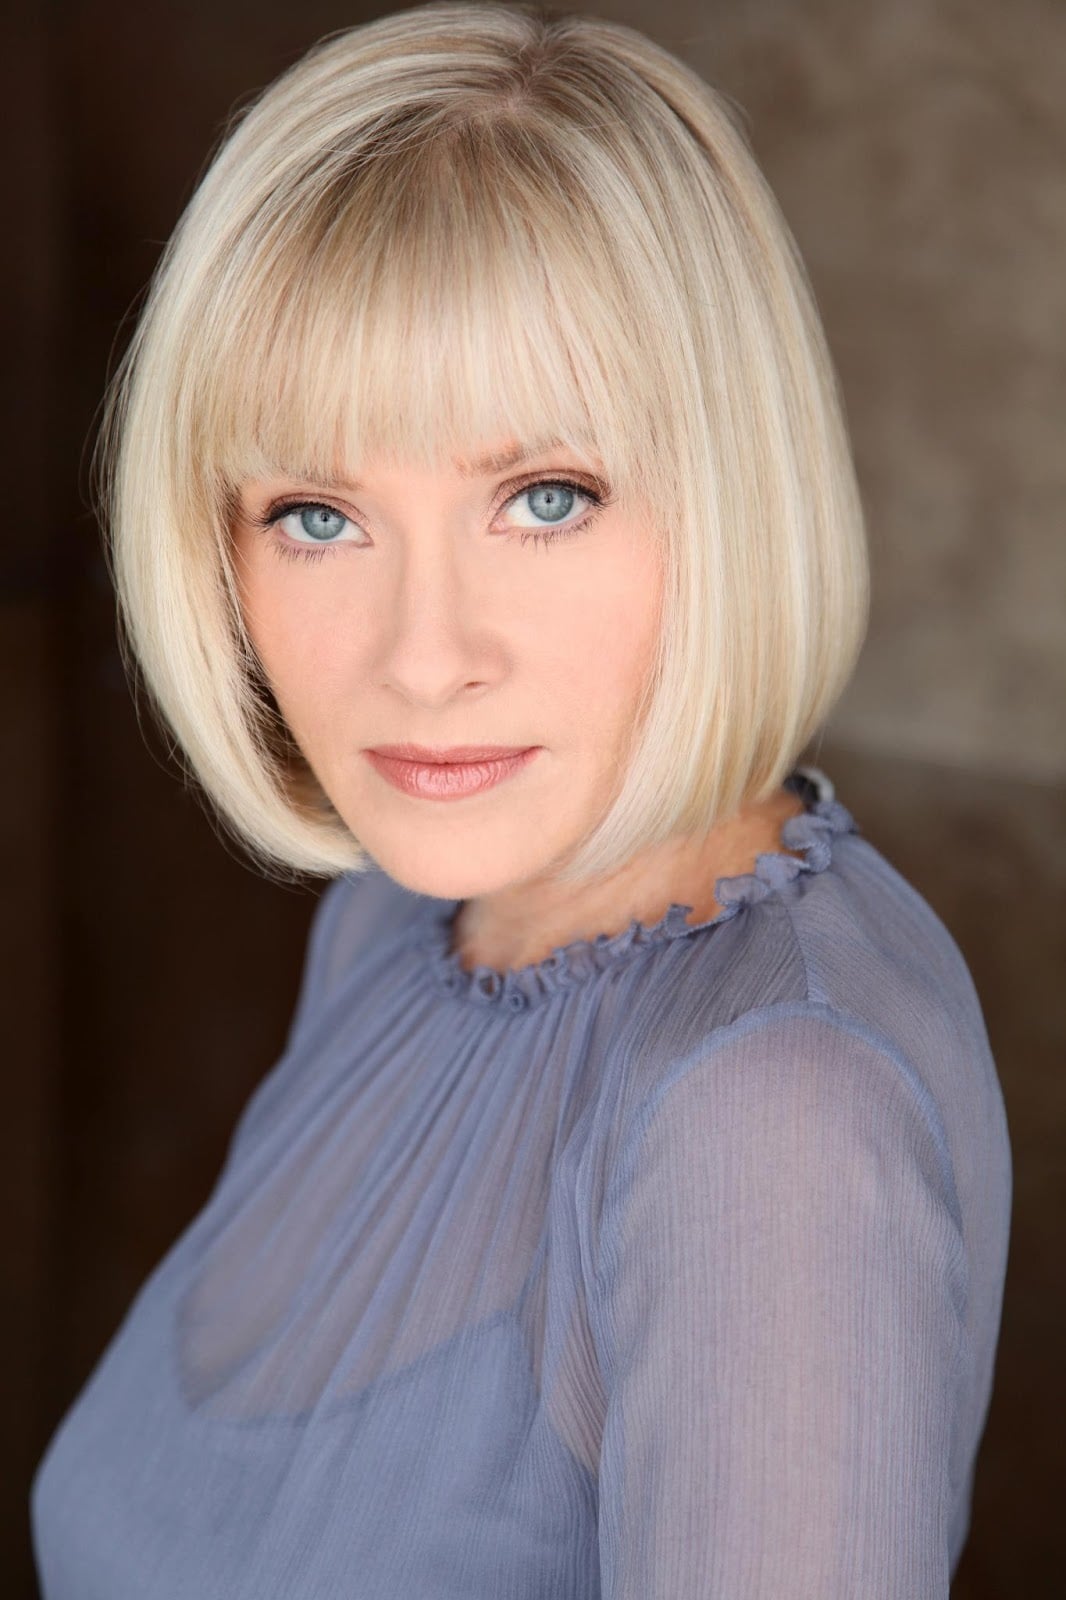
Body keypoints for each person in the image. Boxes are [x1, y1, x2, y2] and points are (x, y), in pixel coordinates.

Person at [30, 3, 1012, 1595]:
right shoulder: (393, 927)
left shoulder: (771, 1118)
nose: (424, 659)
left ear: (729, 488)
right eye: (316, 515)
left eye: (543, 497)